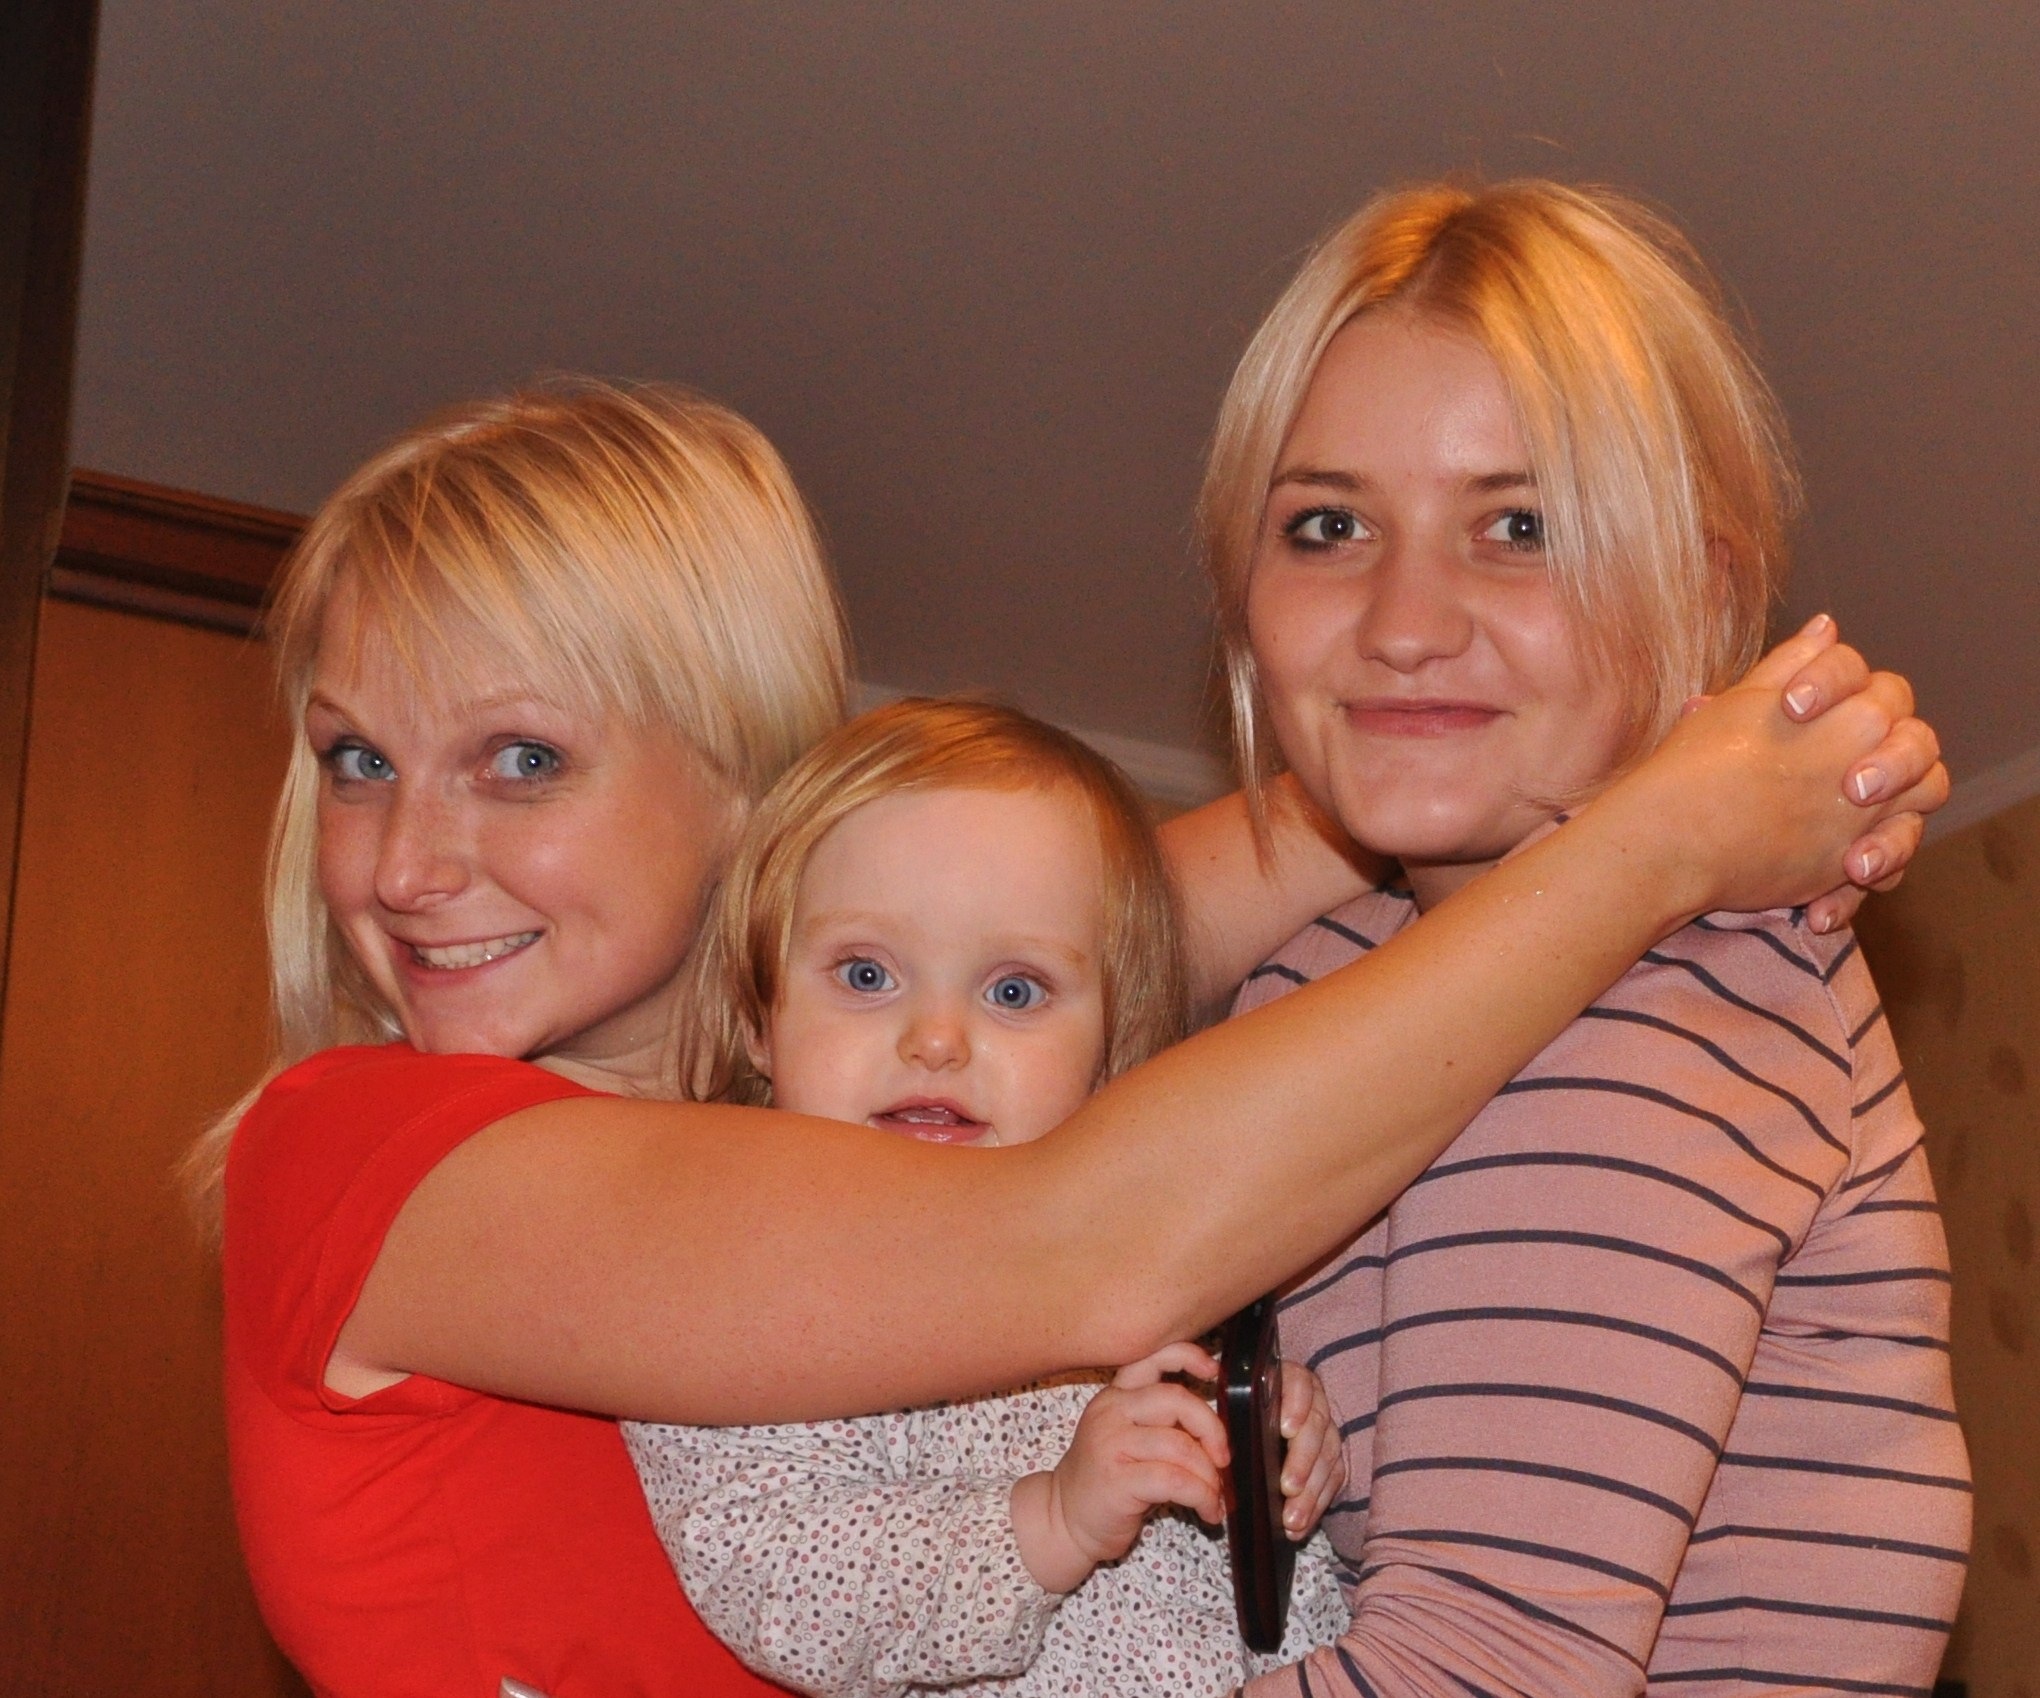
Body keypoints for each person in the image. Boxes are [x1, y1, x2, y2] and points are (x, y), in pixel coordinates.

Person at [202, 379, 1944, 1698]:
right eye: (356, 759)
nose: (405, 862)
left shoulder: (890, 1044)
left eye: (517, 759)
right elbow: (1093, 1243)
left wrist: (1708, 747)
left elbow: (1210, 876)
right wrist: (1667, 839)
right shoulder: (360, 1152)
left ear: (743, 779)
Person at [1194, 180, 1970, 1697]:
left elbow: (1486, 1668)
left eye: (1521, 526)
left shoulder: (1657, 989)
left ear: (1702, 586)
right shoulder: (1317, 976)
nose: (1404, 620)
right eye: (1328, 525)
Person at [627, 697, 1351, 1697]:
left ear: (1111, 1050)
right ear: (758, 1018)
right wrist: (1051, 1518)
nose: (936, 1039)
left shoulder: (1160, 1250)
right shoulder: (727, 1274)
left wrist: (1281, 1448)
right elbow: (774, 1579)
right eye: (866, 974)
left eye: (1014, 992)